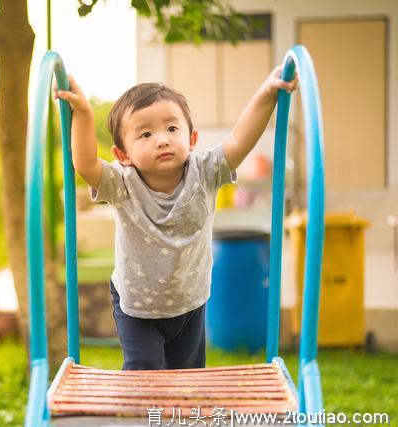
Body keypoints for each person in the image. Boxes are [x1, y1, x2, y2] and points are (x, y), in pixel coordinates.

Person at [55, 66, 298, 370]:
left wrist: (266, 94)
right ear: (123, 155)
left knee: (187, 380)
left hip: (190, 302)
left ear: (192, 138)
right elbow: (86, 164)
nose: (162, 140)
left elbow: (240, 141)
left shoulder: (206, 172)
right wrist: (84, 113)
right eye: (145, 134)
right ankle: (146, 417)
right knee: (145, 373)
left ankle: (174, 419)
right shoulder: (122, 184)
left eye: (172, 129)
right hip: (137, 308)